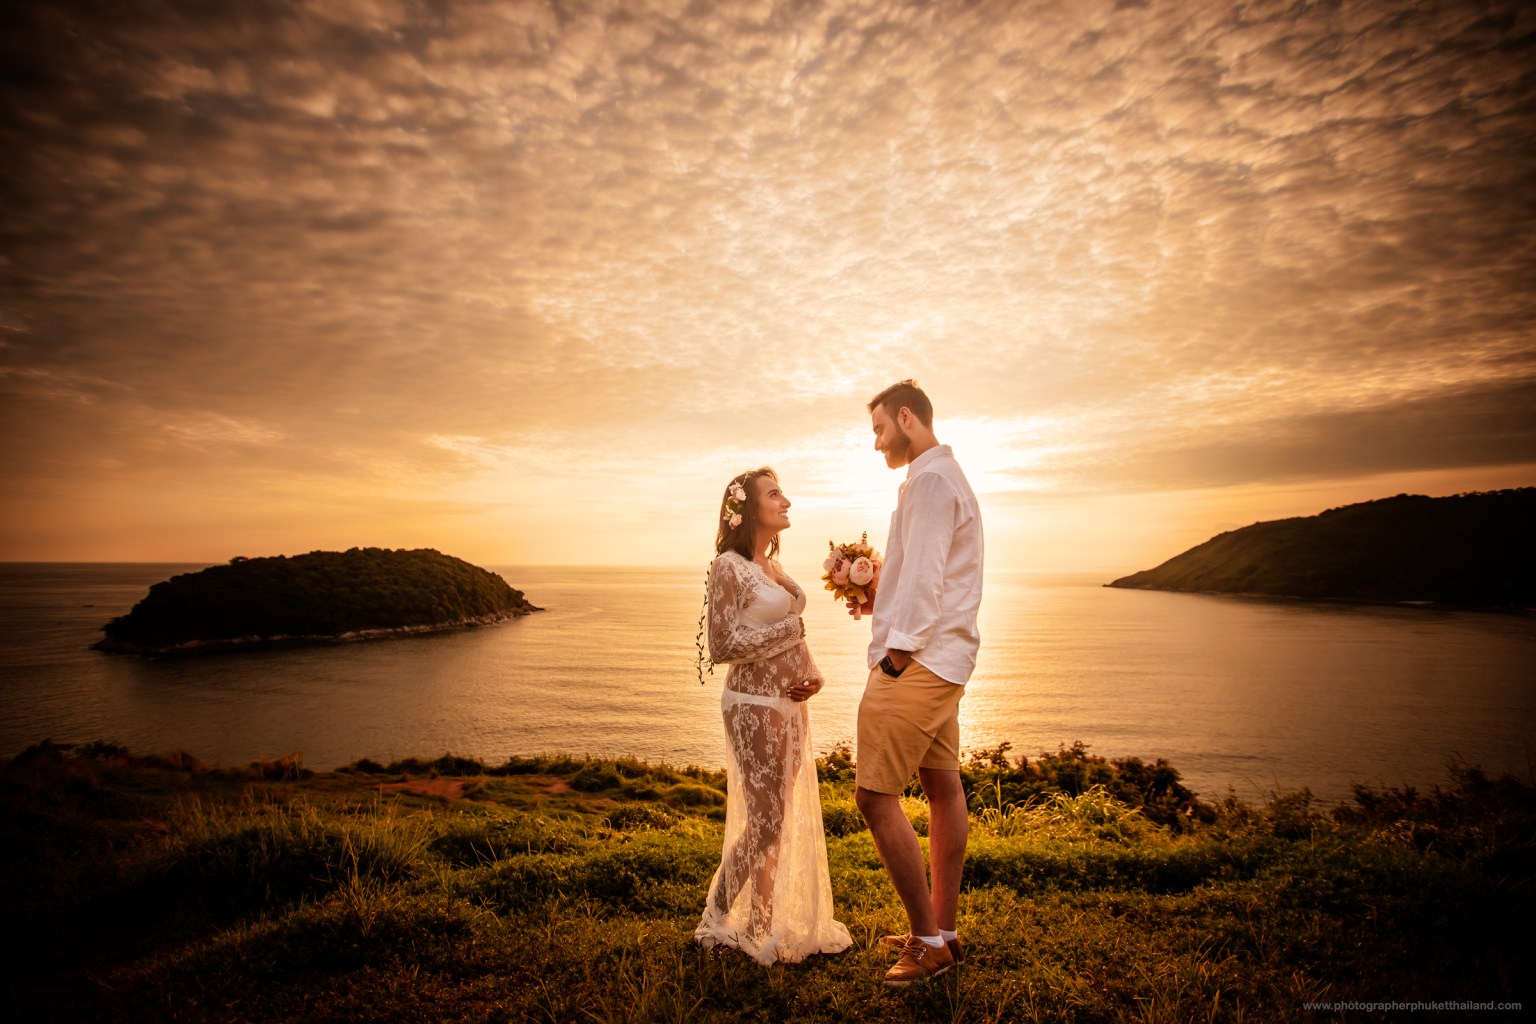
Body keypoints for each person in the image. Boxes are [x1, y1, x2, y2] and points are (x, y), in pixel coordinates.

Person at [847, 380, 983, 986]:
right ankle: (943, 934)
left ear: (907, 417)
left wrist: (896, 656)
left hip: (918, 663)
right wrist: (879, 595)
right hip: (945, 661)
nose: (876, 443)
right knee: (942, 788)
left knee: (874, 797)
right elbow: (926, 575)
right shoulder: (941, 478)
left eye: (879, 429)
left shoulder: (930, 480)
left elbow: (926, 579)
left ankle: (926, 944)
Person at [693, 467, 852, 965]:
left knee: (776, 819)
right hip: (752, 706)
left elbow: (794, 635)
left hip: (789, 705)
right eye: (775, 494)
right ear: (746, 508)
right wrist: (790, 632)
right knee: (765, 821)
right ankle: (716, 917)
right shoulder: (729, 566)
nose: (787, 501)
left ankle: (762, 922)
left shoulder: (773, 567)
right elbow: (721, 645)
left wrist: (816, 676)